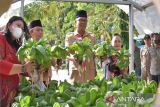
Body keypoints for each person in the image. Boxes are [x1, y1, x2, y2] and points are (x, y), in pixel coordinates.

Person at [0, 16, 35, 107]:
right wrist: (24, 68)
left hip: (11, 93)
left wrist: (33, 68)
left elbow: (22, 68)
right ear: (9, 25)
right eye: (18, 25)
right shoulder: (1, 38)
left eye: (22, 28)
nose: (20, 29)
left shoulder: (17, 47)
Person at [65, 10, 96, 83]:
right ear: (75, 23)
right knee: (75, 91)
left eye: (85, 20)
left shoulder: (92, 37)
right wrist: (74, 58)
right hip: (76, 70)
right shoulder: (70, 37)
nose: (83, 22)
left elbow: (95, 53)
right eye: (80, 20)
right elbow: (67, 53)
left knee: (90, 92)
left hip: (89, 72)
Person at [29, 19, 52, 85]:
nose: (40, 32)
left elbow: (53, 62)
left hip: (46, 81)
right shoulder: (27, 46)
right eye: (38, 30)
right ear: (31, 32)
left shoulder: (47, 46)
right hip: (32, 82)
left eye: (42, 30)